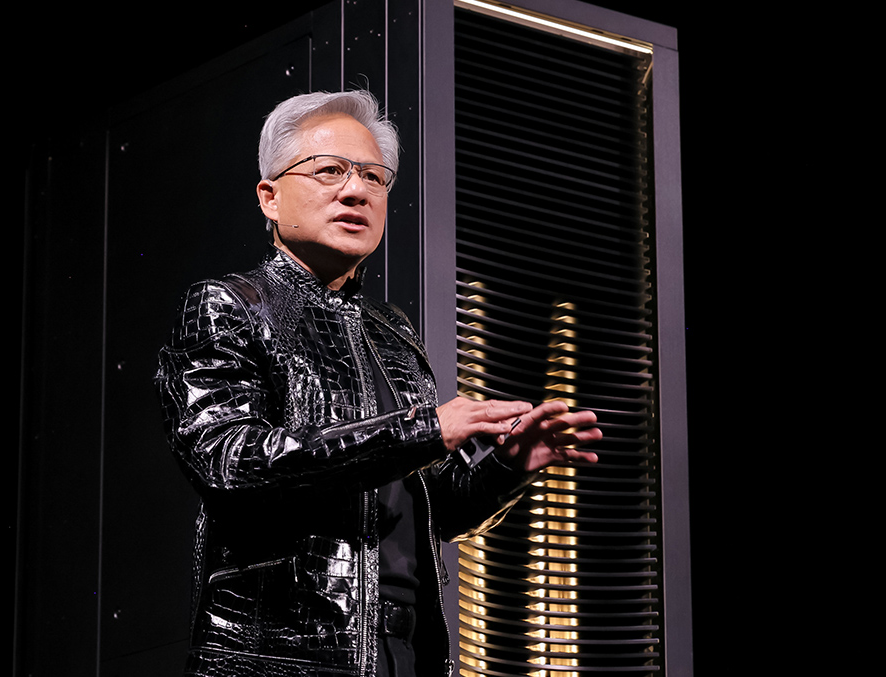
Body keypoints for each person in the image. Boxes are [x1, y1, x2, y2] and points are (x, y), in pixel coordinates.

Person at [156, 90, 601, 677]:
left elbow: (436, 510)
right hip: (285, 657)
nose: (356, 190)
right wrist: (423, 430)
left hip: (406, 652)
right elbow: (231, 463)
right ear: (270, 196)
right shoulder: (229, 305)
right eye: (330, 170)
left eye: (373, 176)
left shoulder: (393, 332)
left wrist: (509, 463)